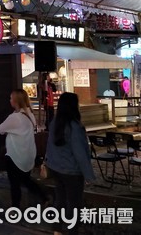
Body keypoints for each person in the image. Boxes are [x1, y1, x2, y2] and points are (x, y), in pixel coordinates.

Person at [45, 92, 95, 235]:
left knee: (59, 199)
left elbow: (50, 146)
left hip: (56, 169)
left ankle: (57, 229)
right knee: (74, 203)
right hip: (72, 172)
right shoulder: (74, 126)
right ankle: (72, 230)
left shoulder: (55, 122)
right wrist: (89, 176)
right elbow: (80, 154)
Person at [0, 89, 48, 209]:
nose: (10, 100)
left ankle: (15, 208)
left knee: (15, 184)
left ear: (15, 101)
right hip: (28, 153)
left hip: (15, 154)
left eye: (11, 98)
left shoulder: (15, 117)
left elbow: (0, 129)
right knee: (25, 180)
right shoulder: (30, 114)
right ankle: (43, 197)